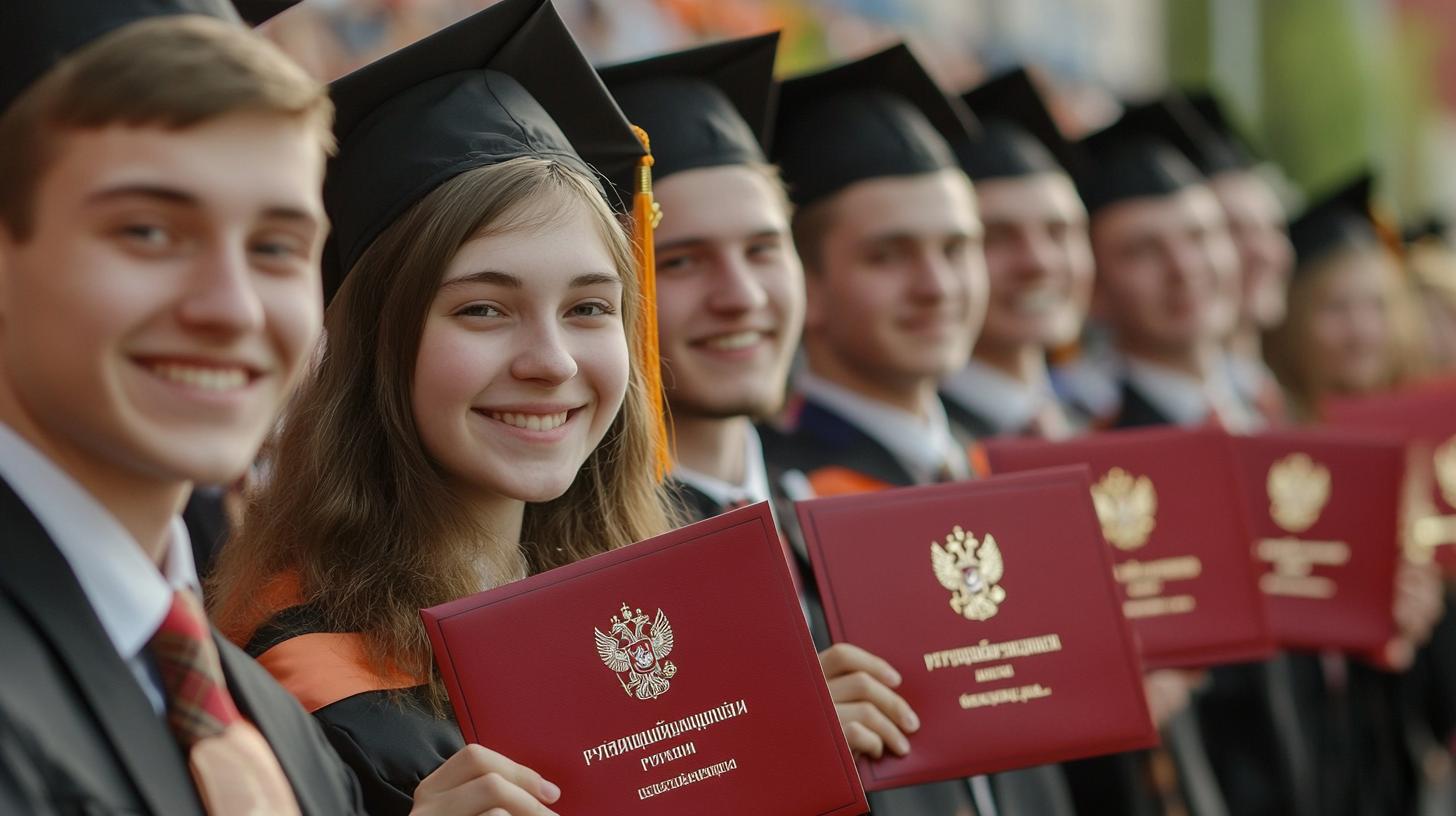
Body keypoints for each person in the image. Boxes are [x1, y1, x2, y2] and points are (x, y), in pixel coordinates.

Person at [207, 1, 674, 813]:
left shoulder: (661, 612)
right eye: (482, 310)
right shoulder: (292, 688)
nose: (552, 362)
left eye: (590, 309)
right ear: (372, 347)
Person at [602, 35, 998, 815]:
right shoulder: (595, 582)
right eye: (681, 261)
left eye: (763, 249)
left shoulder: (847, 520)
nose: (742, 296)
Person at [762, 44, 1078, 816]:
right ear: (814, 290)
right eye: (887, 256)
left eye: (957, 249)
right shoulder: (770, 509)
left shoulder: (1009, 473)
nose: (937, 286)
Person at [1265, 174, 1445, 816]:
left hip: (1396, 738)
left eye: (1377, 306)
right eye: (1335, 308)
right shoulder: (1270, 443)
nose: (1361, 331)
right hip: (1302, 746)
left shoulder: (1428, 441)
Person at [942, 68, 1093, 442]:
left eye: (1058, 232)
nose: (1038, 262)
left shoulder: (1096, 430)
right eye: (996, 237)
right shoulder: (932, 460)